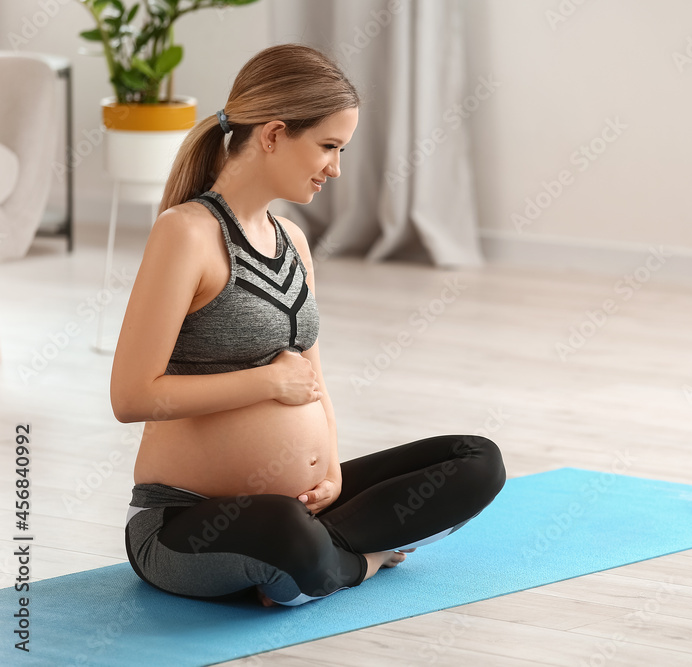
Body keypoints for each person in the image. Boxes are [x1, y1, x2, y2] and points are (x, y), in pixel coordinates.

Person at [110, 44, 505, 607]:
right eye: (328, 147)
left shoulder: (292, 239)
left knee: (475, 460)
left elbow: (313, 380)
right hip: (184, 523)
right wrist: (267, 384)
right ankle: (349, 564)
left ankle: (309, 567)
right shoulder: (187, 234)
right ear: (272, 135)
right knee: (283, 530)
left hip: (305, 504)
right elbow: (131, 396)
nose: (336, 168)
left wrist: (335, 470)